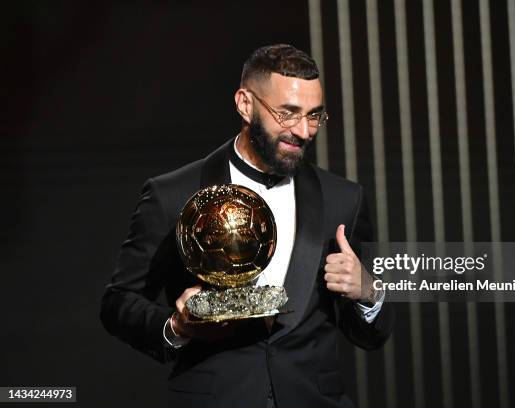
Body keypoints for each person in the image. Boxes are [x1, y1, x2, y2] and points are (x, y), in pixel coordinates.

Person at [100, 44, 394, 408]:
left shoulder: (344, 200)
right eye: (288, 114)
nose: (303, 131)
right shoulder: (172, 194)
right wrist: (177, 326)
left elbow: (373, 335)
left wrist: (368, 292)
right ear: (245, 104)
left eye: (314, 115)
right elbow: (118, 303)